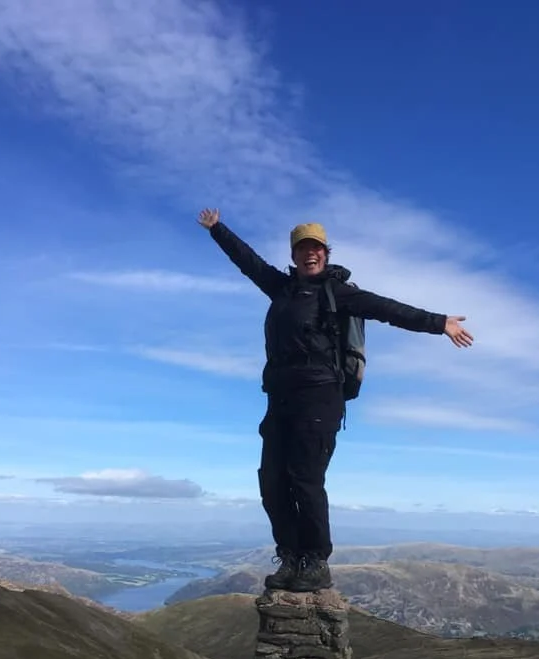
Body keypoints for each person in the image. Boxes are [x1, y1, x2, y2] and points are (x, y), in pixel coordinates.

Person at [198, 209, 473, 592]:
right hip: (280, 397)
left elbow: (387, 309)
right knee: (272, 481)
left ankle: (316, 561)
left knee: (305, 480)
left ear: (326, 253)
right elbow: (248, 261)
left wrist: (439, 322)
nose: (310, 254)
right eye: (302, 248)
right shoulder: (281, 288)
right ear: (294, 255)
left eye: (316, 248)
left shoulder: (338, 292)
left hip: (320, 395)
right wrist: (217, 230)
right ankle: (291, 556)